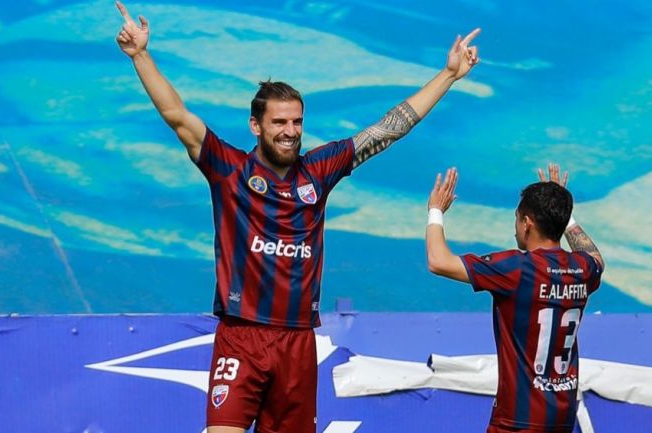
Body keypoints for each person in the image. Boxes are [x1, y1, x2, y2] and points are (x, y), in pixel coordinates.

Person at [114, 2, 480, 432]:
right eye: (280, 122)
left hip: (297, 341)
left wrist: (449, 75)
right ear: (256, 125)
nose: (290, 131)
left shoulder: (319, 170)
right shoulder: (229, 168)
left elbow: (389, 128)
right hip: (241, 335)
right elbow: (177, 116)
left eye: (297, 122)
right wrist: (141, 55)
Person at [425, 164, 604, 433]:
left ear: (527, 222)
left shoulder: (516, 269)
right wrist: (564, 217)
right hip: (561, 420)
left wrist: (435, 210)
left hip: (516, 423)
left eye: (517, 218)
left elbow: (438, 262)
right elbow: (596, 258)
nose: (515, 226)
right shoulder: (582, 269)